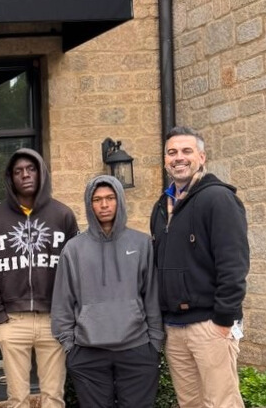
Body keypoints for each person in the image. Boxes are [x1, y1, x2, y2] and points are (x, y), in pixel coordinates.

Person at [150, 126, 250, 408]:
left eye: (186, 151)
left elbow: (234, 264)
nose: (178, 158)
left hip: (210, 325)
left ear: (202, 157)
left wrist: (223, 321)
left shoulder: (218, 198)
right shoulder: (162, 205)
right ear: (165, 160)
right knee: (189, 403)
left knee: (221, 403)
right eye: (172, 152)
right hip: (175, 327)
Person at [51, 175, 163, 408]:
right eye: (97, 199)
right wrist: (69, 346)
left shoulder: (141, 244)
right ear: (89, 204)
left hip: (137, 349)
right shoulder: (74, 249)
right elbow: (63, 301)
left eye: (110, 198)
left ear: (120, 200)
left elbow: (151, 296)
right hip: (87, 351)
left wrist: (155, 343)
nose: (104, 205)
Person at [0, 148, 78, 408]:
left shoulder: (63, 215)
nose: (25, 175)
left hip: (53, 320)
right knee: (17, 398)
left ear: (41, 172)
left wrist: (67, 314)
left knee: (54, 396)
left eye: (31, 169)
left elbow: (74, 270)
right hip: (13, 320)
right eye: (18, 171)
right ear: (10, 178)